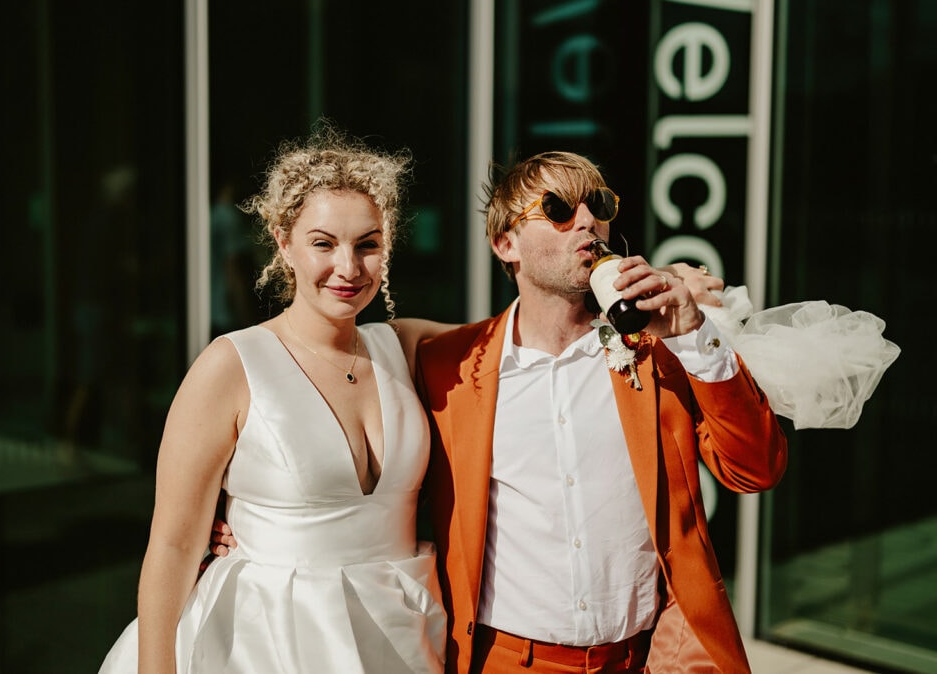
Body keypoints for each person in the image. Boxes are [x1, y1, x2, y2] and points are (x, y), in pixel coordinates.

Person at [209, 150, 788, 672]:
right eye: (558, 209)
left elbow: (755, 470)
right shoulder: (448, 365)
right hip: (506, 661)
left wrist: (695, 336)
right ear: (506, 243)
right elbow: (322, 392)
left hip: (651, 656)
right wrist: (251, 518)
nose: (587, 222)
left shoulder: (661, 349)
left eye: (600, 205)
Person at [99, 126, 454, 674]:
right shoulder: (231, 365)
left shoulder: (403, 345)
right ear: (282, 241)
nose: (349, 268)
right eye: (323, 243)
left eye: (368, 244)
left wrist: (626, 309)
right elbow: (172, 546)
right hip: (266, 644)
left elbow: (521, 338)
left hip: (399, 638)